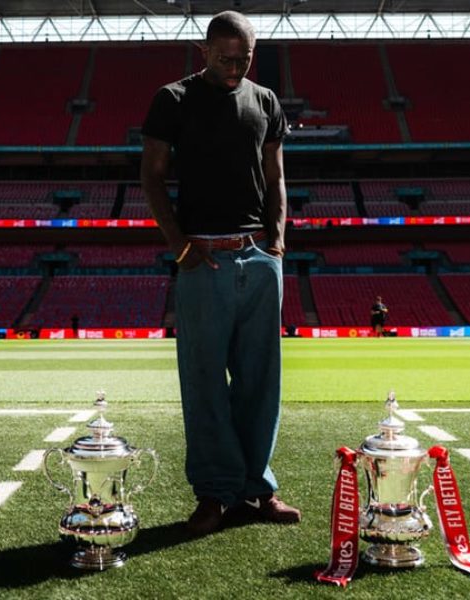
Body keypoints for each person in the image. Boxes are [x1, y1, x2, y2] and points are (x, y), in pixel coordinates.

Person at [141, 10, 300, 536]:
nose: (234, 68)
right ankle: (214, 493)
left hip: (259, 256)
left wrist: (277, 243)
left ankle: (257, 489)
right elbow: (152, 177)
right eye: (225, 58)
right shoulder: (172, 99)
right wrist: (179, 246)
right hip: (202, 257)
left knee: (260, 382)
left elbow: (276, 176)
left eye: (244, 59)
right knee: (205, 382)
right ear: (203, 51)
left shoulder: (266, 101)